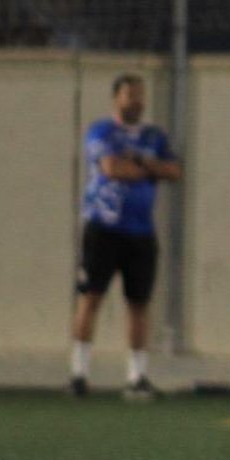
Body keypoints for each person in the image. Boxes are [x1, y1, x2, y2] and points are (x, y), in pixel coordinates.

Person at [70, 74, 180, 400]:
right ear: (116, 98)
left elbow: (174, 171)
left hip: (141, 232)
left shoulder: (153, 136)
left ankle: (137, 376)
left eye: (140, 96)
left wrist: (142, 162)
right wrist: (150, 169)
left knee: (139, 304)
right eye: (130, 95)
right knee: (91, 298)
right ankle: (79, 374)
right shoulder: (103, 131)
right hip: (103, 228)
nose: (137, 102)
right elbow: (113, 169)